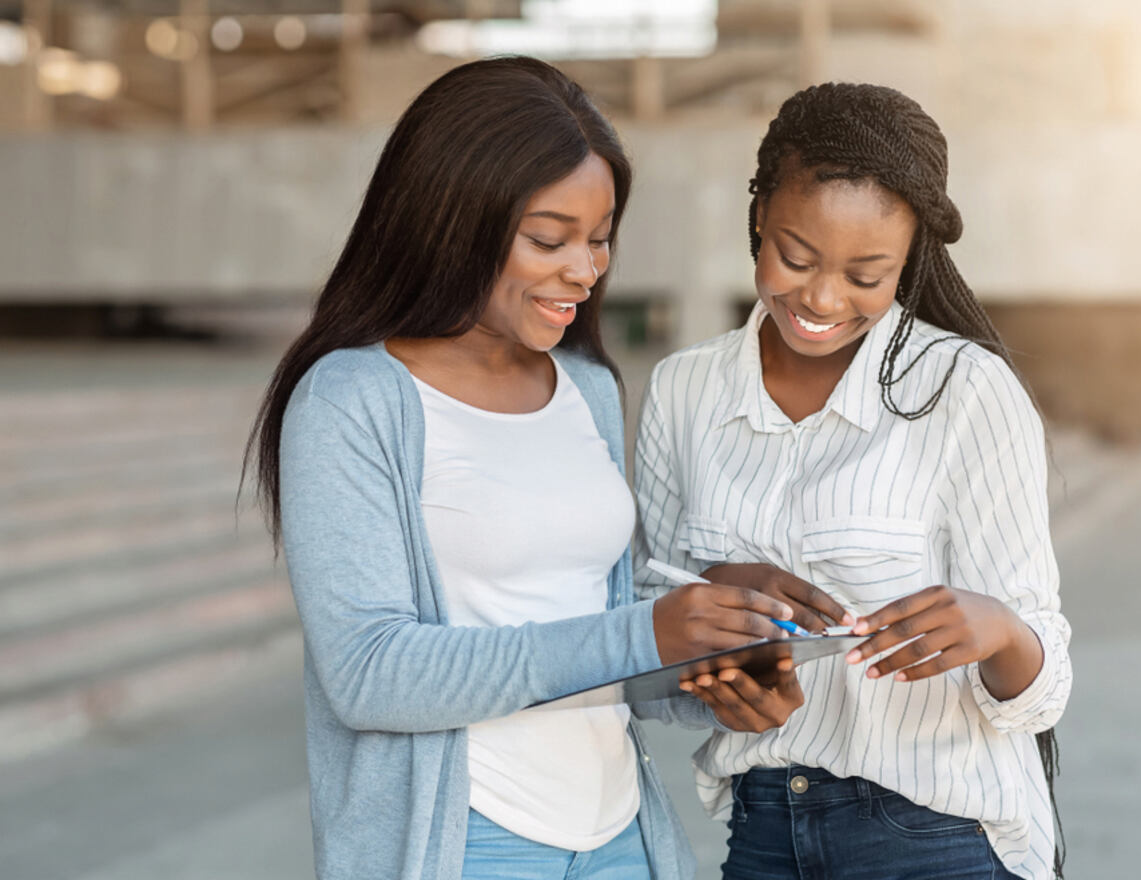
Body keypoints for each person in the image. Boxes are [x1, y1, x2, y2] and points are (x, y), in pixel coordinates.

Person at [244, 57, 804, 880]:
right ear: (453, 219)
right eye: (550, 239)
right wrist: (643, 631)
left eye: (600, 237)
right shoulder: (352, 400)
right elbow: (368, 674)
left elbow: (599, 637)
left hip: (621, 837)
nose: (584, 270)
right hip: (467, 844)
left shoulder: (586, 388)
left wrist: (709, 666)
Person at [634, 82, 1072, 880]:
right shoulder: (683, 390)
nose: (822, 299)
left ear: (908, 263)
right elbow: (650, 667)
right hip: (764, 834)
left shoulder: (966, 391)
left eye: (868, 275)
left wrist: (1000, 630)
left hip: (939, 837)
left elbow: (1044, 691)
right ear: (758, 216)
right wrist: (713, 633)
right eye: (794, 257)